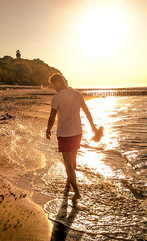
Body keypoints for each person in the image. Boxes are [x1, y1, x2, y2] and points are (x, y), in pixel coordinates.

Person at [46, 73, 100, 201]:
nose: (53, 87)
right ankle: (69, 181)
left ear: (58, 82)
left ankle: (76, 192)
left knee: (68, 164)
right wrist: (93, 128)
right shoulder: (77, 94)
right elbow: (87, 113)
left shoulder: (57, 97)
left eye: (53, 84)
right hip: (77, 133)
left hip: (64, 134)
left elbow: (52, 117)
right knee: (73, 161)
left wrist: (48, 130)